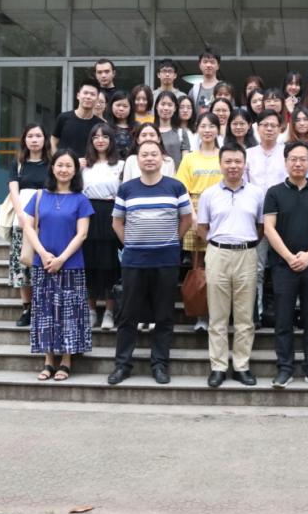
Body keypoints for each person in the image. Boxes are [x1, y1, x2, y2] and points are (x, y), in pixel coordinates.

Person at [107, 140, 193, 386]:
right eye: (144, 154)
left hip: (166, 260)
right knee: (128, 314)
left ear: (162, 158)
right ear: (137, 159)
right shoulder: (127, 189)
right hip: (134, 261)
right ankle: (122, 365)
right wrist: (131, 244)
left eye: (154, 154)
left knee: (164, 314)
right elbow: (117, 222)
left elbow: (187, 219)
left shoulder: (176, 187)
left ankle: (159, 365)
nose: (149, 158)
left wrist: (171, 240)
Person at [264, 141, 308, 389]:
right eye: (293, 159)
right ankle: (285, 369)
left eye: (303, 159)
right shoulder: (274, 193)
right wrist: (289, 257)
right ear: (285, 162)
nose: (298, 163)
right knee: (283, 320)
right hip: (283, 266)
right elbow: (269, 228)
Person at [197, 142, 266, 388]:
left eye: (238, 161)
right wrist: (218, 245)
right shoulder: (209, 194)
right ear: (220, 164)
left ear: (245, 164)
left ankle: (241, 366)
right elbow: (201, 227)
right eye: (228, 161)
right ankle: (218, 366)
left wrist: (246, 243)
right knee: (218, 315)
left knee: (245, 316)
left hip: (247, 254)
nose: (233, 166)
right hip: (217, 253)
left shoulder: (257, 193)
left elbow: (261, 227)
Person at [22, 149, 94, 382]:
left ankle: (66, 360)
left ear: (75, 170)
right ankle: (48, 360)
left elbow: (82, 234)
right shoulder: (39, 196)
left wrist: (61, 258)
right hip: (42, 264)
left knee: (69, 313)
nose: (64, 169)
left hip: (71, 264)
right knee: (45, 312)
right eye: (60, 165)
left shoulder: (81, 199)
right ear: (52, 168)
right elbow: (28, 227)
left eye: (69, 166)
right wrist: (43, 254)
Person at [175, 113, 223, 332]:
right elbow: (182, 188)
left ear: (218, 129)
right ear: (197, 129)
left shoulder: (224, 155)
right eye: (203, 126)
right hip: (194, 207)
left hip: (220, 210)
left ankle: (218, 314)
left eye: (212, 126)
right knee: (199, 266)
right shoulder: (190, 158)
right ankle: (201, 314)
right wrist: (193, 216)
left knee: (219, 265)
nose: (207, 130)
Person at [246, 110, 289, 327]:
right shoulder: (248, 154)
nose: (269, 129)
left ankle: (288, 314)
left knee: (287, 266)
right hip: (256, 221)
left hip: (283, 220)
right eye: (265, 124)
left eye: (273, 125)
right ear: (257, 127)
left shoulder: (287, 153)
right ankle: (257, 314)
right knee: (257, 269)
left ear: (280, 128)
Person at [7, 123, 51, 327]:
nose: (34, 139)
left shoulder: (52, 163)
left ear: (45, 139)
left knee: (43, 263)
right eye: (30, 136)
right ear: (24, 139)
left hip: (47, 221)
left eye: (38, 136)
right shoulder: (18, 163)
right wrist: (22, 216)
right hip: (23, 221)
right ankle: (27, 308)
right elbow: (14, 192)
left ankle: (43, 307)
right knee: (22, 264)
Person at [81, 123, 124, 330]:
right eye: (96, 137)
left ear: (111, 140)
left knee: (110, 264)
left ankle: (108, 311)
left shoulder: (121, 165)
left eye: (105, 137)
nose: (100, 140)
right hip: (88, 213)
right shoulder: (83, 164)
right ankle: (91, 310)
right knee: (89, 263)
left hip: (112, 214)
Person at [51, 81, 104, 157]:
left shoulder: (100, 124)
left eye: (92, 94)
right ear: (78, 96)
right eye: (85, 93)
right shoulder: (63, 118)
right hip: (66, 164)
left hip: (89, 164)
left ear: (97, 99)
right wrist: (57, 159)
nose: (88, 97)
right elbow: (53, 140)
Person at [153, 90, 191, 169]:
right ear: (156, 106)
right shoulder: (150, 131)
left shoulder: (181, 132)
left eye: (170, 105)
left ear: (175, 108)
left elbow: (186, 162)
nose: (166, 108)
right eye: (163, 104)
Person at [188, 47, 221, 113]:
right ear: (200, 65)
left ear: (218, 66)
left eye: (212, 62)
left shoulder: (224, 88)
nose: (208, 65)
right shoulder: (194, 90)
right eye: (205, 62)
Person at [105, 90, 134, 159]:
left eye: (125, 106)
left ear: (131, 108)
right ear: (111, 106)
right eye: (118, 105)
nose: (121, 109)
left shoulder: (137, 127)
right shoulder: (105, 127)